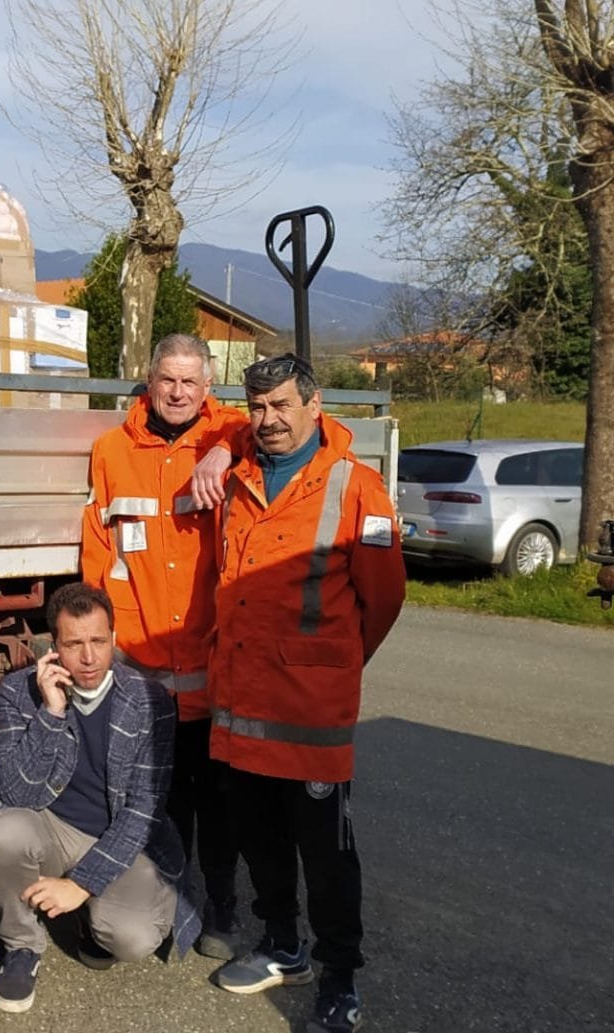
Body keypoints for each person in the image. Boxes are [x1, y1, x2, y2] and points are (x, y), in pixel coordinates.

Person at [206, 353, 405, 1033]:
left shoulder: (356, 486)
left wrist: (335, 661)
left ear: (314, 407)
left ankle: (339, 974)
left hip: (311, 712)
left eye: (281, 406)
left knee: (326, 854)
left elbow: (382, 599)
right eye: (256, 408)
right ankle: (282, 946)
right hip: (243, 706)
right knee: (259, 839)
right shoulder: (239, 478)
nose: (267, 420)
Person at [0, 581, 200, 1014]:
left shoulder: (149, 700)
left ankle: (90, 917)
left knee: (130, 939)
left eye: (98, 641)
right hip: (52, 827)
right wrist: (52, 712)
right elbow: (14, 790)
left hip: (120, 836)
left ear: (114, 639)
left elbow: (143, 810)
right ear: (53, 645)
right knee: (3, 830)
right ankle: (22, 946)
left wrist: (81, 884)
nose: (89, 656)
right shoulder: (19, 691)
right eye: (74, 643)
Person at [79, 332, 247, 958]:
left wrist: (225, 448)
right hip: (142, 663)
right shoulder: (111, 451)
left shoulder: (236, 436)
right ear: (148, 382)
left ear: (209, 388)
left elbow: (315, 427)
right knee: (149, 799)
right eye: (167, 380)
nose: (178, 393)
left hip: (212, 664)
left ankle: (224, 911)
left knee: (220, 802)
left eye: (190, 382)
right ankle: (158, 906)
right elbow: (97, 554)